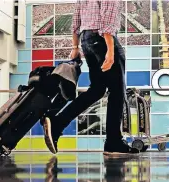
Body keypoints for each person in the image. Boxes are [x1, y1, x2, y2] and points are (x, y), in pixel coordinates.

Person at [42, 0, 139, 155]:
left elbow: (76, 20)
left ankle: (58, 123)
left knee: (97, 90)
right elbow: (108, 16)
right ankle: (113, 142)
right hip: (102, 39)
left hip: (87, 41)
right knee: (117, 91)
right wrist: (111, 50)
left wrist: (75, 47)